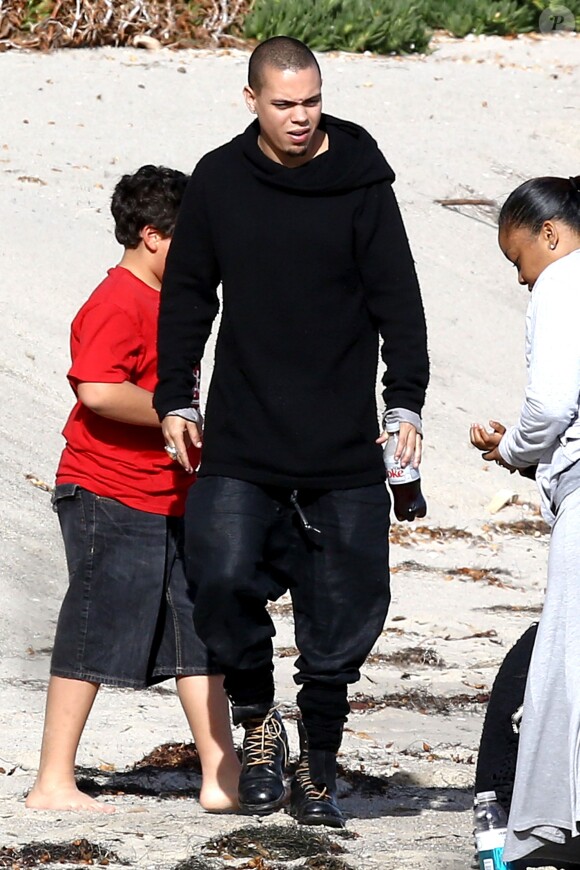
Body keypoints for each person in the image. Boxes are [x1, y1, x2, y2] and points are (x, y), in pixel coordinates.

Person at [154, 37, 429, 828]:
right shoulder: (219, 178)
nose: (301, 117)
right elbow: (188, 298)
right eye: (284, 104)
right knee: (221, 572)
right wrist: (178, 397)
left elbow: (398, 302)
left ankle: (320, 761)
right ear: (252, 102)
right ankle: (258, 721)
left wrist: (403, 404)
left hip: (343, 446)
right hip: (242, 437)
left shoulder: (363, 182)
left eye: (310, 101)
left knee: (346, 612)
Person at [26, 165, 240, 814]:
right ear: (152, 236)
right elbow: (96, 389)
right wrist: (180, 412)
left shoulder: (169, 301)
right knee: (96, 624)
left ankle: (220, 776)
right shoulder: (119, 300)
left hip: (172, 495)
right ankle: (52, 782)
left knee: (199, 634)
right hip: (106, 492)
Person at [470, 174, 580, 865]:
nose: (520, 277)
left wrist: (508, 448)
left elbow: (549, 408)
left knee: (566, 664)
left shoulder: (562, 282)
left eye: (518, 258)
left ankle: (549, 828)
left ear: (550, 233)